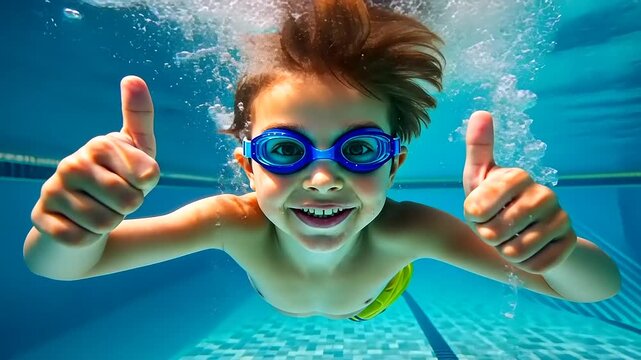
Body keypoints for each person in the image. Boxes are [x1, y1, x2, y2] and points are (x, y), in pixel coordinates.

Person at [23, 0, 620, 321]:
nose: (324, 177)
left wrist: (555, 253)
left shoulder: (408, 231)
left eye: (360, 150)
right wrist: (73, 230)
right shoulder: (231, 220)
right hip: (280, 293)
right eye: (284, 150)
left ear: (393, 166)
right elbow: (59, 266)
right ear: (247, 166)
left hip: (375, 298)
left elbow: (595, 288)